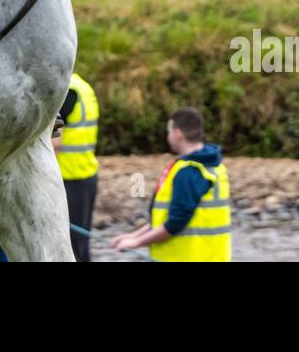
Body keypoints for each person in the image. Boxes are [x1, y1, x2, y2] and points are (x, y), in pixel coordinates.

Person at [111, 107, 231, 261]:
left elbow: (175, 223)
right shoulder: (212, 163)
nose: (168, 136)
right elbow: (167, 218)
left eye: (169, 131)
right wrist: (132, 235)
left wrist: (136, 242)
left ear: (178, 133)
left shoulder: (189, 172)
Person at [53, 72, 100, 261]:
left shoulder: (66, 89)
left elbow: (55, 142)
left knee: (68, 247)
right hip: (85, 175)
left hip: (67, 179)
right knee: (80, 246)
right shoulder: (83, 85)